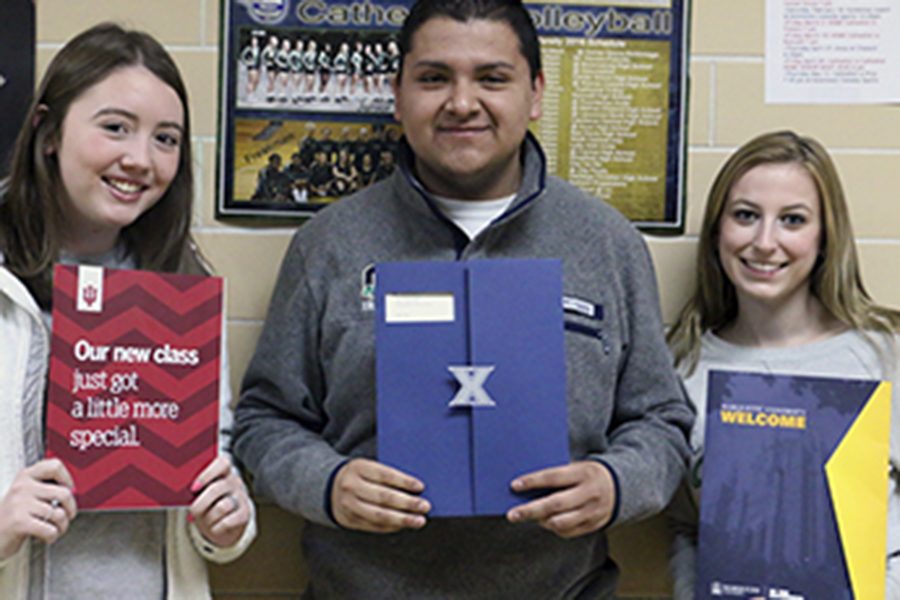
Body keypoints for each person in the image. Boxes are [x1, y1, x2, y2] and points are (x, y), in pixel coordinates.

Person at [233, 1, 692, 598]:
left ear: (535, 94)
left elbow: (663, 422)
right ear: (398, 95)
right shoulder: (330, 244)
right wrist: (326, 482)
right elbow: (264, 422)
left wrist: (618, 481)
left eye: (492, 78)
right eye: (434, 78)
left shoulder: (606, 242)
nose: (461, 102)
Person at [0, 23, 256, 599]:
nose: (141, 159)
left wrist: (228, 522)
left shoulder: (183, 288)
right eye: (115, 127)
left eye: (166, 139)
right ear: (47, 131)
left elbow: (212, 462)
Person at [665, 130, 900, 599]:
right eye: (746, 216)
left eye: (793, 220)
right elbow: (690, 529)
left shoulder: (884, 354)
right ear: (718, 231)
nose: (765, 242)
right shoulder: (682, 367)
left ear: (825, 237)